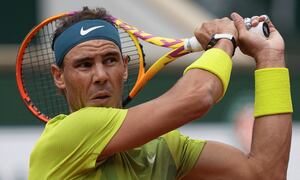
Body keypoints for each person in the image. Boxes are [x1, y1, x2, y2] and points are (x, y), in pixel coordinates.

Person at [29, 6, 293, 180]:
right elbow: (199, 95)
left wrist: (270, 57)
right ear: (58, 77)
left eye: (110, 60)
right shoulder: (65, 137)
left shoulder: (165, 148)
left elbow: (264, 173)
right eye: (84, 65)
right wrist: (223, 42)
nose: (100, 75)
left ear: (124, 67)